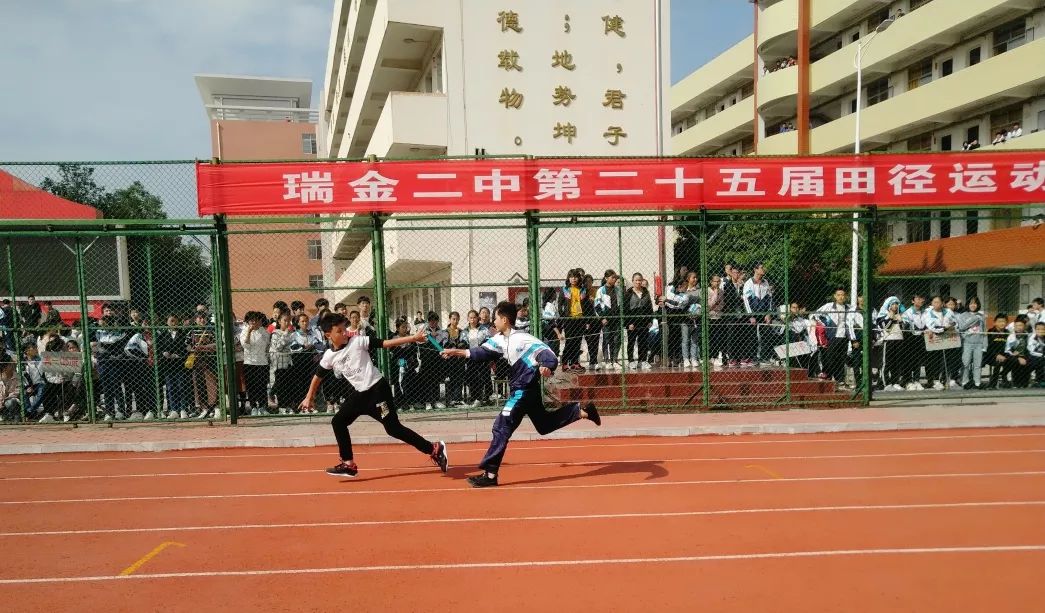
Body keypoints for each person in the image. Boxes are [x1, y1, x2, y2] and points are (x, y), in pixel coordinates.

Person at [440, 301, 600, 488]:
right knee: (544, 424)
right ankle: (582, 411)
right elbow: (479, 352)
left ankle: (490, 475)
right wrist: (454, 352)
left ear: (505, 320)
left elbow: (547, 354)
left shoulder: (522, 338)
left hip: (523, 390)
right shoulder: (499, 339)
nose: (493, 321)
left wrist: (547, 367)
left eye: (496, 318)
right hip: (524, 391)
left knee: (501, 425)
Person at [300, 313, 448, 478]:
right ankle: (348, 464)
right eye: (339, 331)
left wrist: (413, 338)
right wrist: (309, 397)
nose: (344, 333)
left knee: (393, 429)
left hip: (378, 392)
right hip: (359, 396)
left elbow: (385, 343)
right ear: (328, 335)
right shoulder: (329, 356)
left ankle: (434, 449)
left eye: (344, 329)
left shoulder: (357, 341)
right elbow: (318, 376)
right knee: (338, 422)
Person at [240, 311, 271, 416]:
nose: (255, 322)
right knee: (252, 386)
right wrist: (249, 331)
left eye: (257, 320)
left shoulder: (264, 332)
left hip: (262, 362)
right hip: (249, 362)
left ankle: (263, 406)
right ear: (248, 322)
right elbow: (246, 345)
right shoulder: (244, 331)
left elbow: (267, 346)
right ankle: (253, 407)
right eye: (252, 320)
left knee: (262, 385)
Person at [624, 272, 653, 370]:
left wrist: (650, 320)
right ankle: (631, 361)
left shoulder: (646, 292)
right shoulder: (628, 293)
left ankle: (642, 360)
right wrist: (628, 323)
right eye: (636, 280)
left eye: (640, 280)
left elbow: (650, 307)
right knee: (631, 341)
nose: (638, 282)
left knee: (643, 342)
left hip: (644, 321)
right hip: (632, 322)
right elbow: (625, 309)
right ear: (632, 281)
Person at [595, 270, 622, 370]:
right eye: (612, 277)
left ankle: (614, 360)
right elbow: (596, 306)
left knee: (617, 339)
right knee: (607, 339)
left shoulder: (618, 289)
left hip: (617, 319)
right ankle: (607, 361)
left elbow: (620, 304)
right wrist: (602, 318)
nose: (614, 279)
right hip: (606, 319)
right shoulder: (601, 290)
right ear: (606, 278)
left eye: (615, 277)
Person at [958, 297, 986, 390]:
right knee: (966, 363)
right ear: (967, 305)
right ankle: (965, 381)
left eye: (975, 303)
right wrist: (974, 318)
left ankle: (977, 382)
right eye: (971, 303)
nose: (973, 305)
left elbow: (984, 331)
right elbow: (961, 327)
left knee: (978, 364)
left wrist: (984, 345)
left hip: (979, 343)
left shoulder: (981, 316)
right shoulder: (963, 315)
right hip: (967, 343)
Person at [984, 313, 1011, 389]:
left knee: (1013, 360)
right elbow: (988, 347)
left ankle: (1003, 375)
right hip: (991, 356)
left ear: (1006, 323)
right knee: (998, 362)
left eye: (1004, 321)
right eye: (999, 321)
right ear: (995, 322)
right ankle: (993, 384)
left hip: (1005, 355)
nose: (1002, 323)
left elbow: (1010, 346)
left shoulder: (1008, 332)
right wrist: (996, 355)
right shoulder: (990, 332)